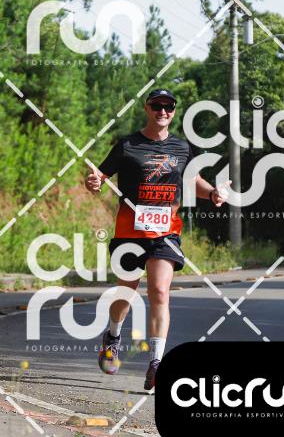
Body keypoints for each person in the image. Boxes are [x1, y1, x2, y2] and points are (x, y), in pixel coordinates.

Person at [85, 88, 228, 390]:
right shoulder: (128, 145)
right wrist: (94, 182)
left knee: (160, 292)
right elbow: (100, 177)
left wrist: (213, 192)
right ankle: (112, 336)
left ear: (174, 112)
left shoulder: (182, 147)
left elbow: (193, 180)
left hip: (166, 232)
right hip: (130, 231)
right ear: (147, 108)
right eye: (157, 106)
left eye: (169, 106)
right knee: (125, 293)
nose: (163, 111)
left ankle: (156, 363)